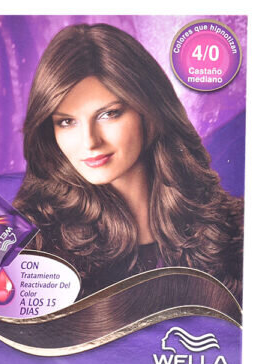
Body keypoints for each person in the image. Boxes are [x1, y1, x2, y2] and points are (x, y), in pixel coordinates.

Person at [14, 23, 243, 303]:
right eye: (66, 122)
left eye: (109, 114)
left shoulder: (233, 226)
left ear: (149, 111)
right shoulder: (27, 237)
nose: (89, 141)